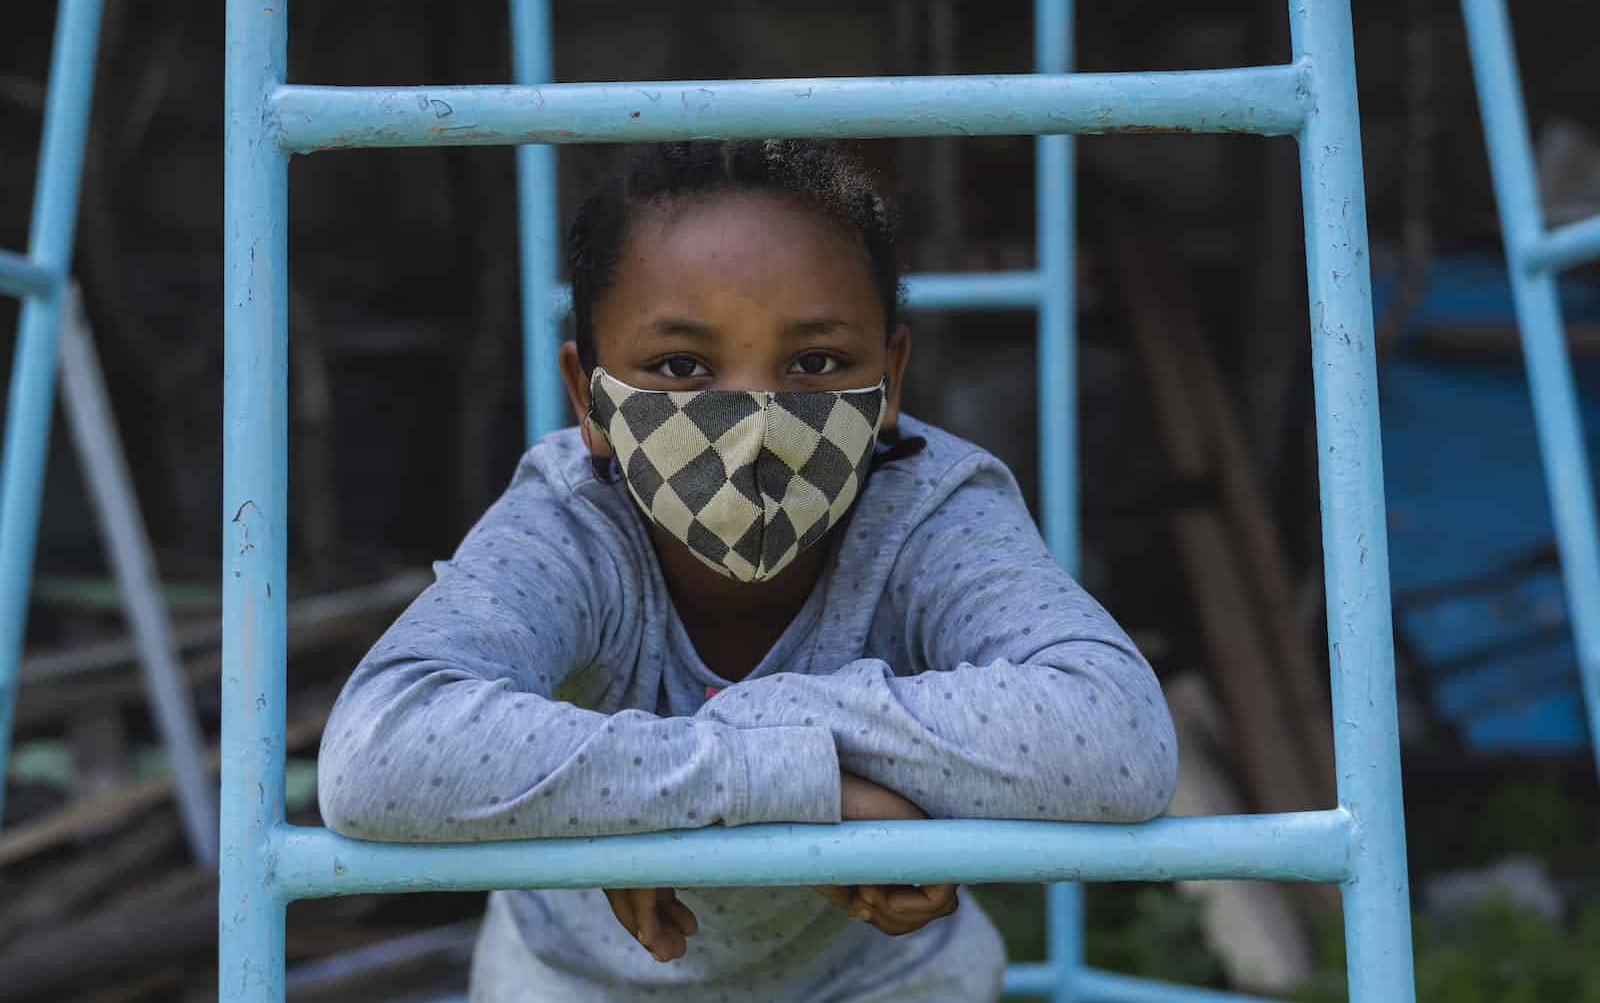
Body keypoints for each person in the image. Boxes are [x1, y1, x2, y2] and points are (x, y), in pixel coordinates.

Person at [317, 139, 1178, 1002]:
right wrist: (806, 785)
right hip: (576, 981)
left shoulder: (926, 505)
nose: (756, 422)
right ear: (588, 397)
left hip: (882, 976)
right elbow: (378, 749)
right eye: (681, 367)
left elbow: (1117, 735)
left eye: (814, 363)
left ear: (892, 379)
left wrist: (749, 725)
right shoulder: (573, 520)